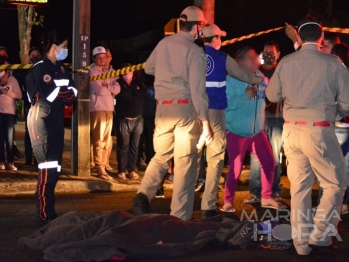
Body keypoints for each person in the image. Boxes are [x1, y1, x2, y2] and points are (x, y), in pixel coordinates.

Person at [266, 15, 349, 255]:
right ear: (321, 37)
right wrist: (338, 111)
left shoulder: (286, 62)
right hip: (319, 129)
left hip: (292, 129)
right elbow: (346, 102)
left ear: (300, 37)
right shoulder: (333, 62)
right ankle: (321, 236)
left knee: (300, 187)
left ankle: (301, 244)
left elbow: (272, 96)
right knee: (335, 184)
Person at [132, 6, 213, 221]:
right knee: (185, 162)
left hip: (163, 108)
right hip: (184, 108)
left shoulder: (163, 44)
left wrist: (167, 72)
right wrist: (205, 123)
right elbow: (198, 91)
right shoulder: (195, 52)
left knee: (160, 157)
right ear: (198, 26)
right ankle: (179, 216)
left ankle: (143, 194)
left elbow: (149, 68)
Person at [199, 24, 264, 219]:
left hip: (193, 110)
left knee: (190, 159)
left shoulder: (192, 55)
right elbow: (242, 74)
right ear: (216, 39)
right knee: (215, 158)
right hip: (215, 111)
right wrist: (257, 79)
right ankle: (208, 206)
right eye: (220, 37)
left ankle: (181, 208)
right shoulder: (222, 58)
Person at [223, 46, 284, 213]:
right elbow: (226, 106)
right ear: (240, 62)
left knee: (269, 162)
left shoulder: (261, 78)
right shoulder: (231, 80)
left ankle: (266, 197)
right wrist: (245, 96)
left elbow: (266, 101)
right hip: (236, 131)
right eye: (252, 57)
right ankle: (228, 201)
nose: (257, 60)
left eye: (257, 57)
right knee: (235, 168)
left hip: (257, 132)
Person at [26, 30, 77, 224]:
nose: (65, 50)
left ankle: (50, 212)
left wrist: (61, 91)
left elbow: (71, 95)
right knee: (47, 167)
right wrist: (61, 91)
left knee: (55, 168)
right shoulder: (40, 68)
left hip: (56, 119)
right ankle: (44, 213)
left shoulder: (62, 69)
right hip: (41, 118)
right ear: (54, 48)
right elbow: (49, 95)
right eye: (64, 47)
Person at [247, 41, 283, 204]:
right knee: (256, 156)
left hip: (277, 118)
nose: (269, 55)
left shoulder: (281, 70)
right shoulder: (256, 72)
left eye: (272, 52)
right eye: (266, 52)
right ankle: (255, 192)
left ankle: (274, 190)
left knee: (275, 155)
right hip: (258, 118)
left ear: (278, 54)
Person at [90, 46, 120, 179]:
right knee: (98, 140)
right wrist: (110, 88)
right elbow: (100, 91)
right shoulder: (92, 72)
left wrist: (107, 86)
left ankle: (103, 165)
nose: (103, 59)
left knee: (107, 140)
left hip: (109, 109)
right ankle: (99, 167)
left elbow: (118, 89)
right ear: (94, 59)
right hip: (98, 108)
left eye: (104, 57)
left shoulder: (111, 71)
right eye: (99, 57)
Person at [115, 64, 147, 180]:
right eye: (125, 72)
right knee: (123, 145)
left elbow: (144, 93)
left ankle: (132, 170)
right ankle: (121, 170)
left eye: (129, 72)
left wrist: (131, 91)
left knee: (135, 145)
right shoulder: (118, 82)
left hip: (138, 119)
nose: (127, 74)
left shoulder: (138, 81)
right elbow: (122, 94)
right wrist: (134, 90)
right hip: (124, 119)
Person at [13, 46, 42, 166]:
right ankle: (29, 158)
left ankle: (38, 158)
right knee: (29, 131)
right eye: (32, 55)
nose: (34, 57)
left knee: (40, 131)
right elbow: (17, 81)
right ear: (29, 57)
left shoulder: (43, 69)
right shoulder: (25, 70)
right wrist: (24, 95)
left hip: (41, 105)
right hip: (29, 104)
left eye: (37, 55)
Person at [331, 43, 349, 215]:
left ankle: (341, 204)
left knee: (341, 167)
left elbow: (344, 104)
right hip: (339, 124)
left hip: (343, 126)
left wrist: (334, 117)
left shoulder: (342, 74)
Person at [0, 58, 22, 170]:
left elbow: (19, 95)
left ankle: (11, 161)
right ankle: (1, 161)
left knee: (9, 139)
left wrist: (7, 92)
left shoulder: (12, 79)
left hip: (9, 112)